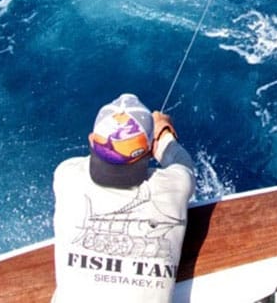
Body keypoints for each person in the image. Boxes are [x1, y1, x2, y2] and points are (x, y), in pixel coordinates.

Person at [52, 93, 195, 303]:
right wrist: (163, 133)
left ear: (91, 140)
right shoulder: (176, 185)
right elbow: (183, 163)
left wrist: (115, 145)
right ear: (148, 152)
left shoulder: (66, 175)